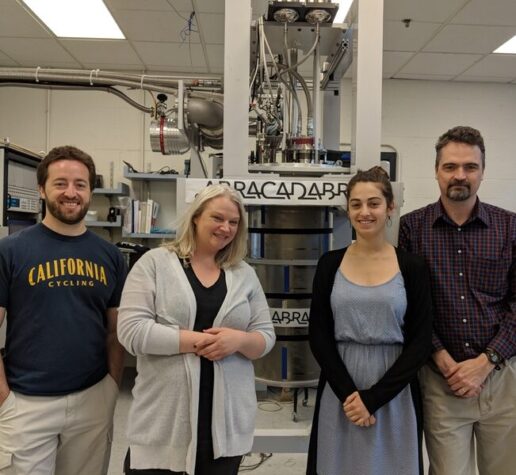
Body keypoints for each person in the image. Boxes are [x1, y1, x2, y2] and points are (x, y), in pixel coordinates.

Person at [117, 183, 276, 475]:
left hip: (225, 429)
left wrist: (238, 340)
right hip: (164, 423)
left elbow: (265, 337)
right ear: (195, 217)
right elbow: (131, 331)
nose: (226, 227)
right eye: (217, 218)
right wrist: (199, 342)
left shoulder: (244, 274)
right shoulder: (154, 264)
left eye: (233, 222)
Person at [0, 145, 127, 474]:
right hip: (27, 402)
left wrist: (112, 386)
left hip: (92, 398)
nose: (71, 193)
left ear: (90, 191)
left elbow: (115, 331)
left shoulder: (110, 256)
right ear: (41, 189)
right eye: (60, 184)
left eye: (80, 184)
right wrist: (5, 400)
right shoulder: (10, 251)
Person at [398, 126, 516, 475]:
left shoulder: (510, 228)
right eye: (450, 166)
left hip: (501, 377)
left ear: (482, 171)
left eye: (470, 166)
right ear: (436, 170)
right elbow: (406, 305)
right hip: (440, 379)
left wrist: (486, 361)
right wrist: (443, 359)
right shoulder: (411, 229)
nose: (460, 175)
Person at [307, 166, 433, 475]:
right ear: (347, 208)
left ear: (390, 207)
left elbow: (420, 341)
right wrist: (351, 396)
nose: (365, 212)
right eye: (356, 204)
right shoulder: (329, 264)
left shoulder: (412, 266)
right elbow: (319, 334)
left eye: (374, 203)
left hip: (394, 388)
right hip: (340, 386)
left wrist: (373, 398)